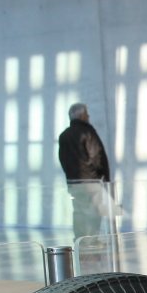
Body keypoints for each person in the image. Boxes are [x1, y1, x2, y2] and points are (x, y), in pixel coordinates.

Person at [58, 102, 111, 242]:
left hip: (74, 182)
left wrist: (71, 176)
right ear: (82, 116)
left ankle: (80, 239)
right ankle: (91, 240)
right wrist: (104, 177)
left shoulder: (64, 136)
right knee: (94, 212)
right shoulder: (87, 132)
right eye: (86, 114)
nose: (88, 116)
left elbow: (63, 159)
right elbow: (97, 156)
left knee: (79, 212)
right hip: (91, 181)